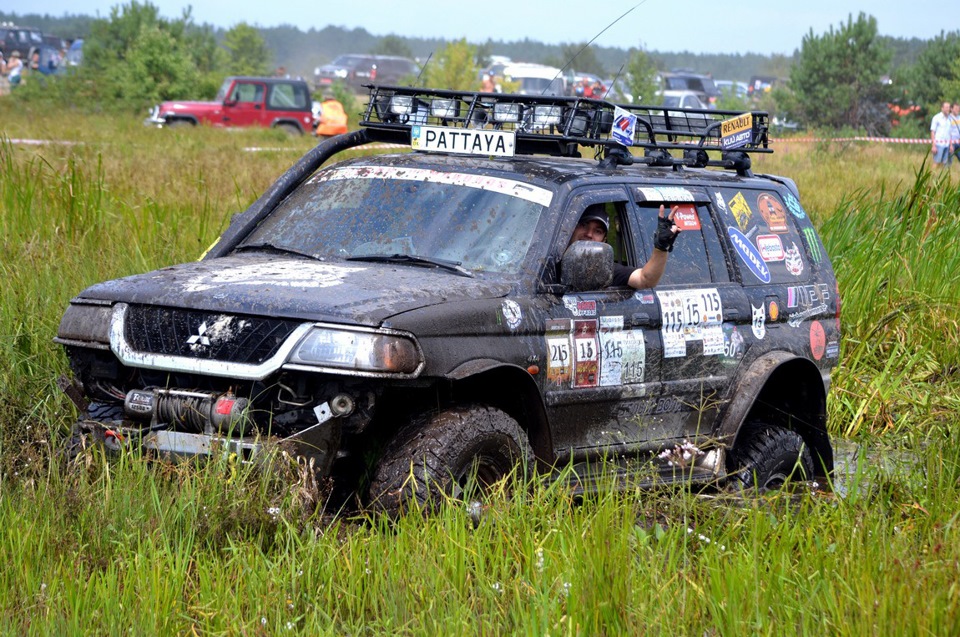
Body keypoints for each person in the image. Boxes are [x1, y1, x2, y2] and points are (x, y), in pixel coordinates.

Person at [568, 204, 680, 289]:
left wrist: (661, 247)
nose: (589, 234)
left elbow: (645, 279)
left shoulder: (605, 270)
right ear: (570, 229)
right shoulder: (551, 259)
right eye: (583, 225)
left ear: (604, 240)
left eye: (597, 231)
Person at [930, 101, 953, 167]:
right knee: (936, 163)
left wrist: (951, 145)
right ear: (942, 108)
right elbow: (932, 132)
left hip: (947, 145)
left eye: (949, 107)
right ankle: (931, 176)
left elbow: (950, 132)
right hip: (938, 144)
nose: (948, 109)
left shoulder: (950, 119)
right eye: (946, 107)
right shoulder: (936, 118)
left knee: (944, 164)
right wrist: (933, 145)